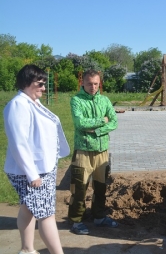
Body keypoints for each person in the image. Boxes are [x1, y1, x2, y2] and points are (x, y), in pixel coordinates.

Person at [4, 64, 70, 254]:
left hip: (43, 168)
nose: (43, 87)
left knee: (28, 208)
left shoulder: (32, 102)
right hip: (31, 171)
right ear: (26, 83)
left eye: (44, 83)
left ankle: (26, 249)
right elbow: (19, 143)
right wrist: (32, 174)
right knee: (47, 215)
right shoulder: (18, 105)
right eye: (39, 84)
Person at [68, 69, 118, 235]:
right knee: (79, 187)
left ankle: (99, 217)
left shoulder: (105, 100)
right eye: (89, 83)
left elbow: (114, 122)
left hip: (102, 151)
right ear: (83, 83)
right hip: (83, 150)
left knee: (101, 187)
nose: (93, 87)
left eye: (96, 83)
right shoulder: (77, 100)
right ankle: (76, 221)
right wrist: (102, 121)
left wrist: (96, 131)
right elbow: (80, 122)